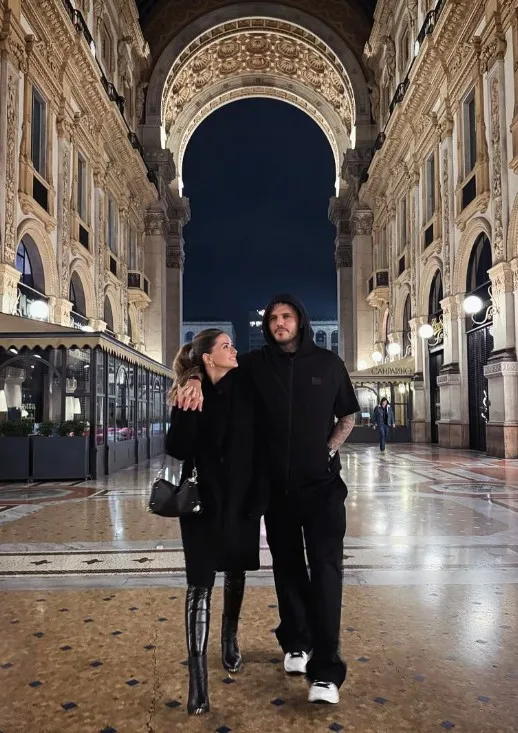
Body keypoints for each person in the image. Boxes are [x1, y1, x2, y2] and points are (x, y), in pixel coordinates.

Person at [175, 295, 360, 705]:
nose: (279, 323)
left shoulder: (329, 365)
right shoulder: (255, 365)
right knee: (287, 568)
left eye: (286, 316)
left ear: (300, 320)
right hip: (277, 491)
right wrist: (193, 378)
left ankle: (326, 670)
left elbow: (348, 415)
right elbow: (213, 367)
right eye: (274, 318)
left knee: (326, 570)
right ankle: (296, 641)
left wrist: (328, 450)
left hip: (323, 489)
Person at [166, 329, 268, 715]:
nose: (234, 350)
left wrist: (259, 499)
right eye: (226, 346)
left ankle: (229, 638)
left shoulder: (248, 389)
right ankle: (198, 683)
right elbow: (177, 448)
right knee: (199, 585)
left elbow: (262, 445)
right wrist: (190, 398)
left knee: (236, 572)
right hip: (202, 504)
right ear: (208, 358)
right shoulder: (192, 392)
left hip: (241, 500)